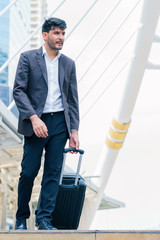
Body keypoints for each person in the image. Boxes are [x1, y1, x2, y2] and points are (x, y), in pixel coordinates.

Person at [13, 17, 79, 230]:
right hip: (36, 123)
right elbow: (18, 90)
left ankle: (44, 220)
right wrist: (33, 118)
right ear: (45, 35)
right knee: (29, 172)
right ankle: (22, 218)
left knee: (52, 173)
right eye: (56, 33)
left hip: (60, 123)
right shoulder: (28, 58)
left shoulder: (68, 64)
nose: (60, 38)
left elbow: (72, 99)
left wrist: (75, 130)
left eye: (62, 34)